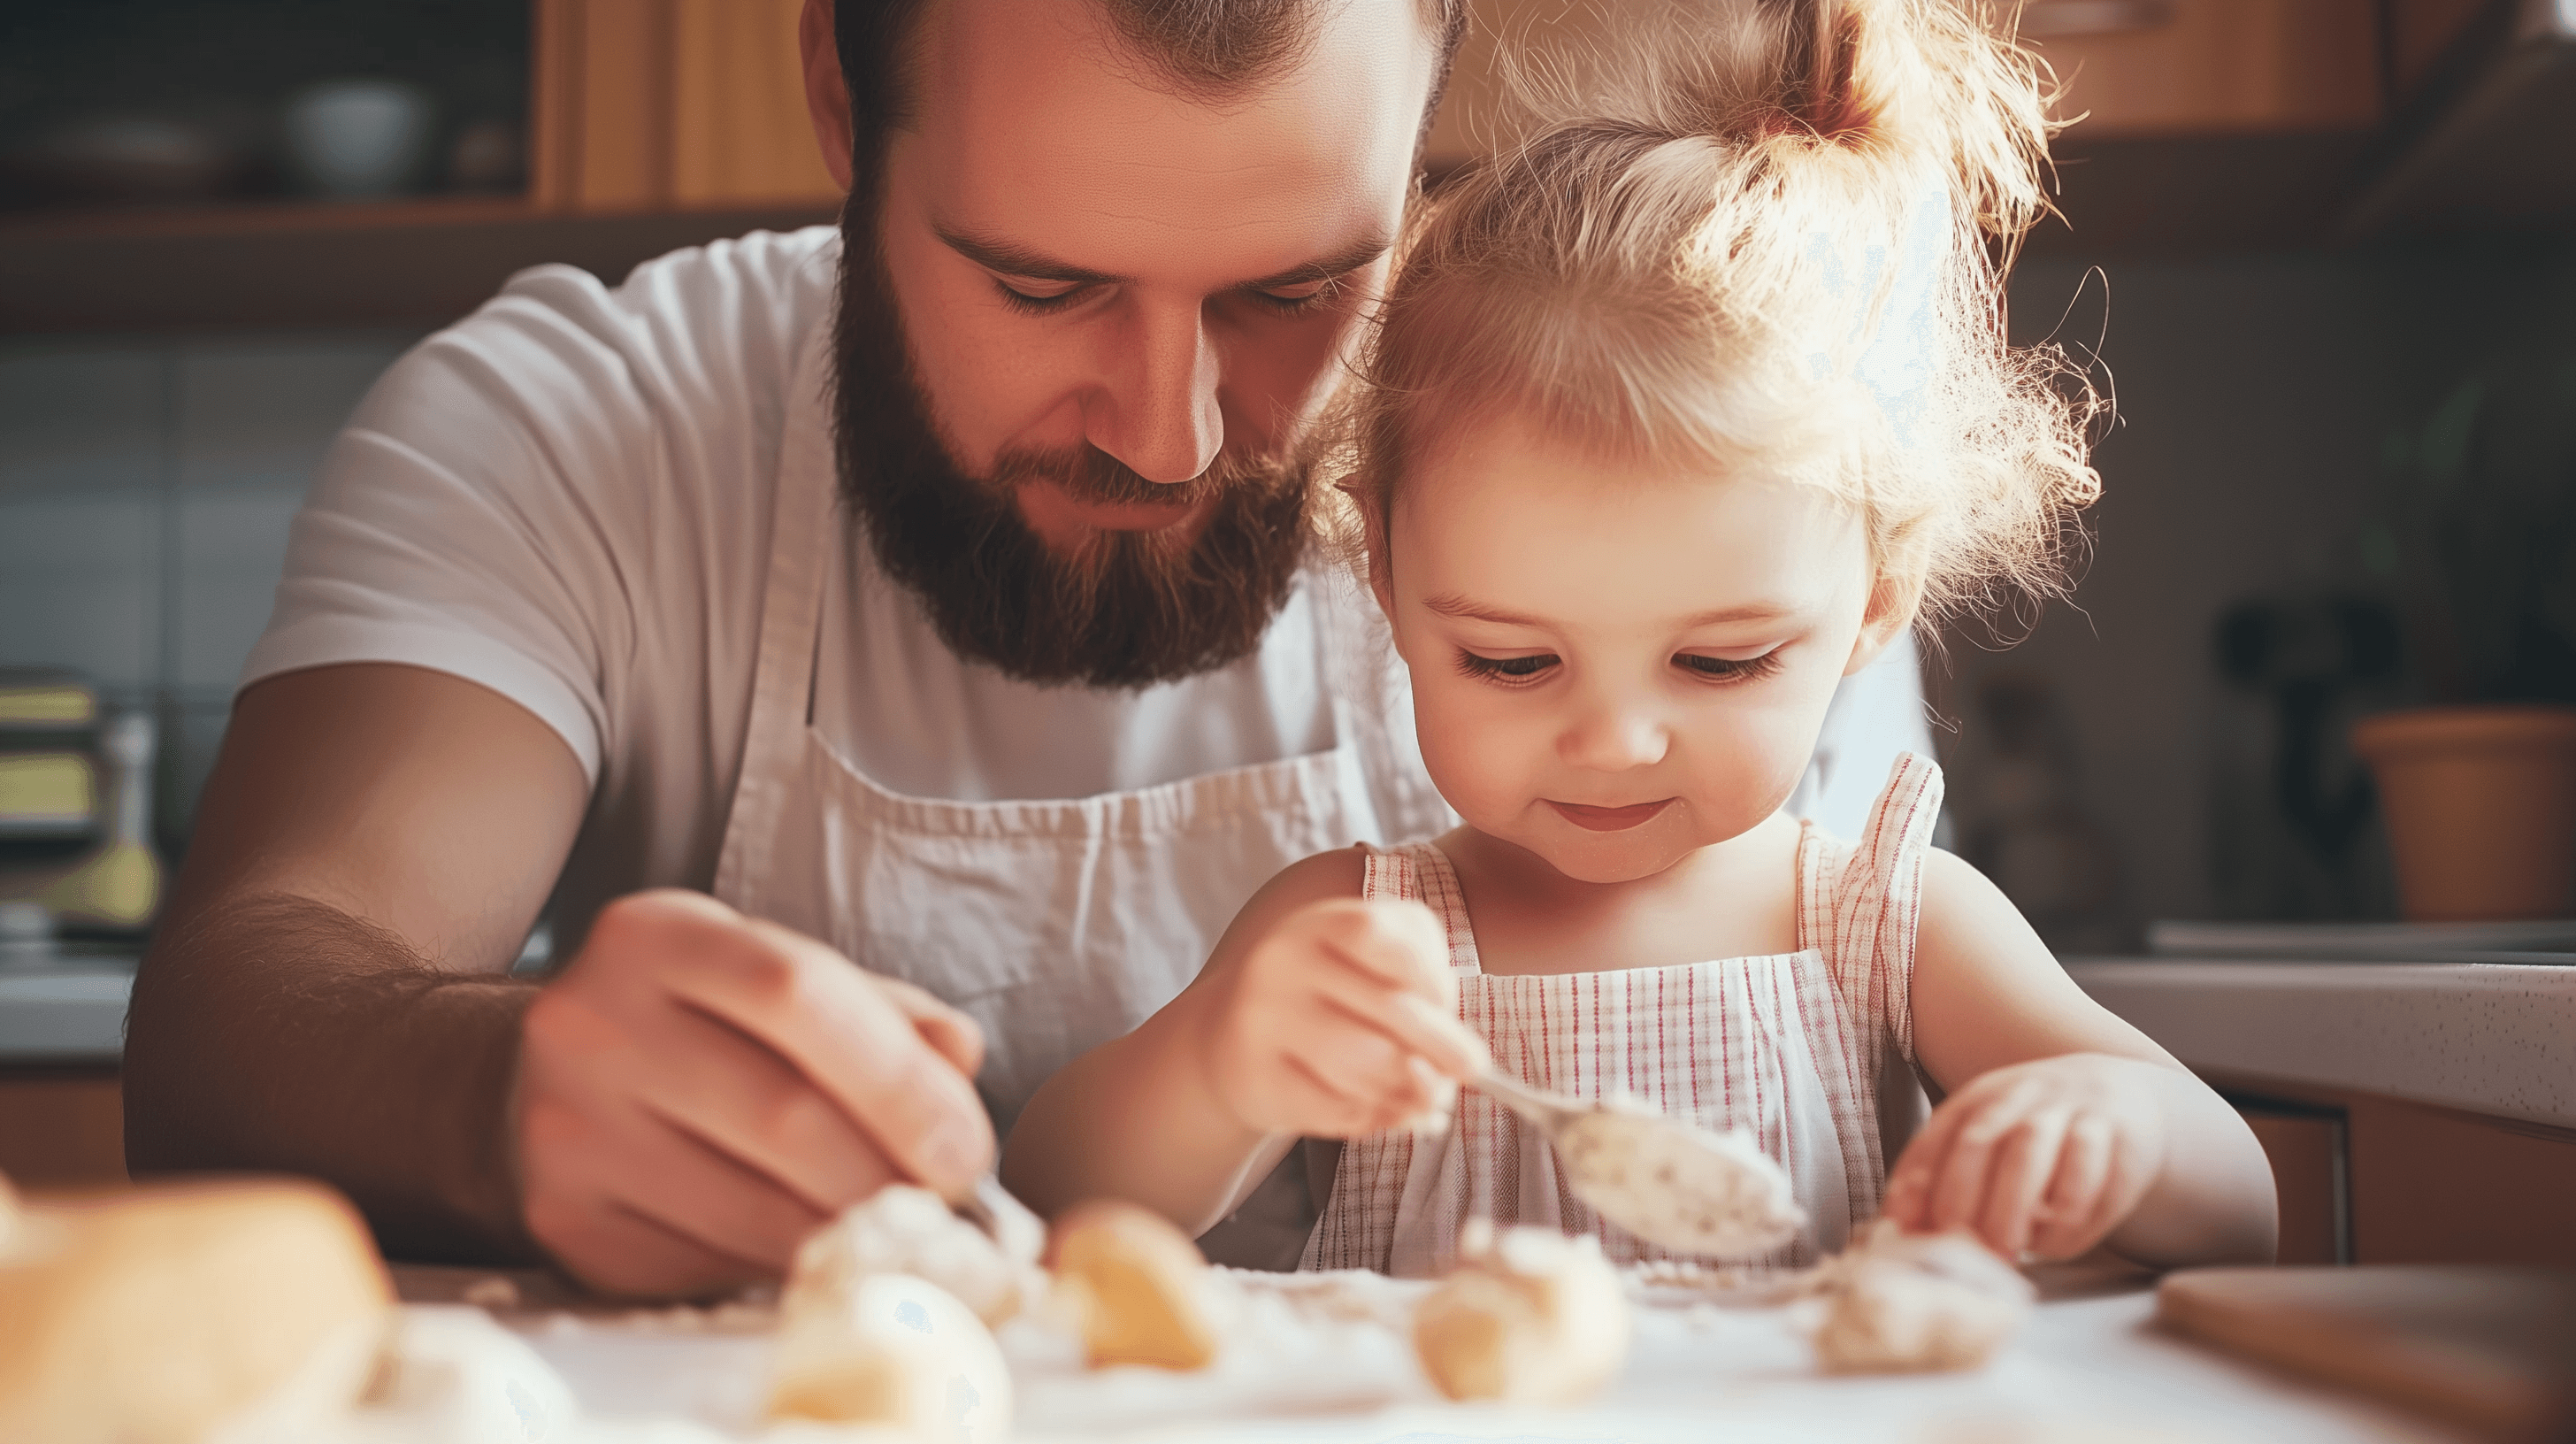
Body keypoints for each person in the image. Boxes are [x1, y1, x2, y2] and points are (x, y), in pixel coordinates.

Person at [122, 0, 1936, 1295]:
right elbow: (236, 1013)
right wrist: (487, 1091)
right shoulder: (586, 428)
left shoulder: (1690, 463)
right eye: (1041, 285)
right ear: (845, 98)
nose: (1169, 434)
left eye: (1294, 291)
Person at [1001, 0, 2279, 1273]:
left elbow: (2241, 1206)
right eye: (1510, 660)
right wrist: (1222, 1064)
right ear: (1385, 578)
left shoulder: (1888, 926)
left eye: (1719, 662)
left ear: (1875, 603)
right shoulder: (1364, 929)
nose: (1611, 742)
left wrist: (2117, 1129)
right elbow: (1047, 1199)